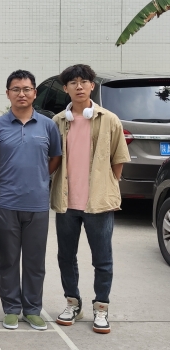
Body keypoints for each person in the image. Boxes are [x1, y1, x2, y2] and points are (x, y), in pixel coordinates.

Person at [50, 64, 130, 334]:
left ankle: (101, 307)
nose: (79, 86)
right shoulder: (58, 122)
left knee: (102, 259)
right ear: (66, 88)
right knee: (66, 257)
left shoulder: (109, 119)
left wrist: (105, 187)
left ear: (92, 86)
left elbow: (118, 159)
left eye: (84, 82)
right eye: (73, 82)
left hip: (98, 203)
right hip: (66, 203)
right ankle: (73, 302)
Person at [0, 70, 62, 331]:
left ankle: (32, 309)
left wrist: (40, 177)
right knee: (8, 259)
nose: (21, 94)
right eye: (16, 89)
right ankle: (11, 308)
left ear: (34, 92)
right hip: (6, 202)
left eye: (26, 89)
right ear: (7, 93)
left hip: (37, 203)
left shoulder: (48, 125)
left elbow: (55, 158)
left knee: (35, 261)